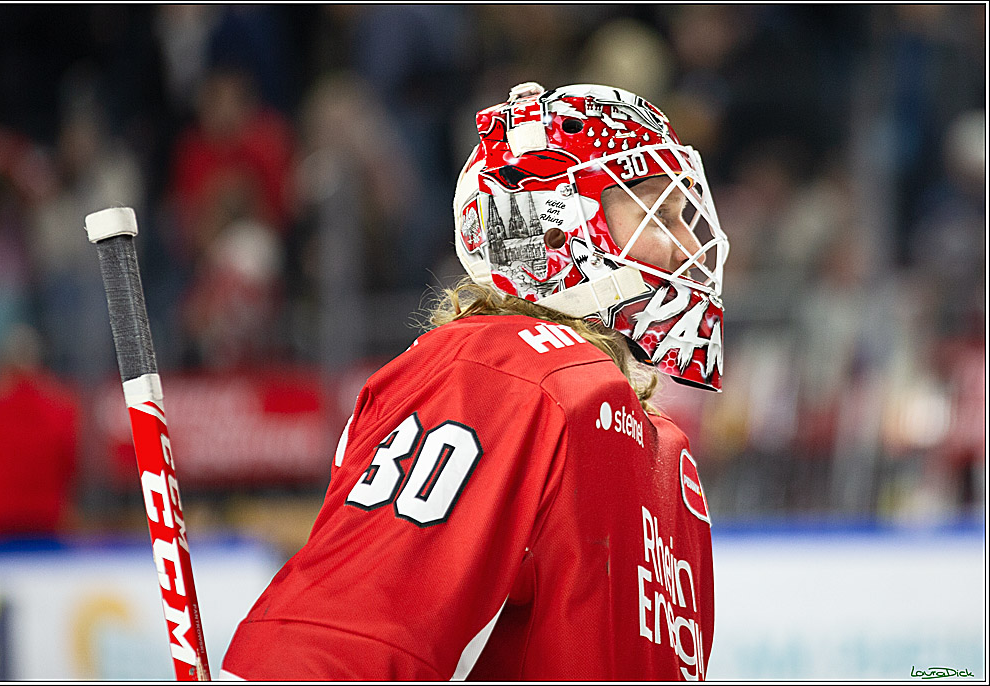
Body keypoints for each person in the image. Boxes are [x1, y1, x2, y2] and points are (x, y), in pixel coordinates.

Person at [221, 82, 729, 680]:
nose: (689, 246)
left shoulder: (662, 452)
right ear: (556, 228)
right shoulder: (507, 379)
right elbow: (333, 649)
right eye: (657, 212)